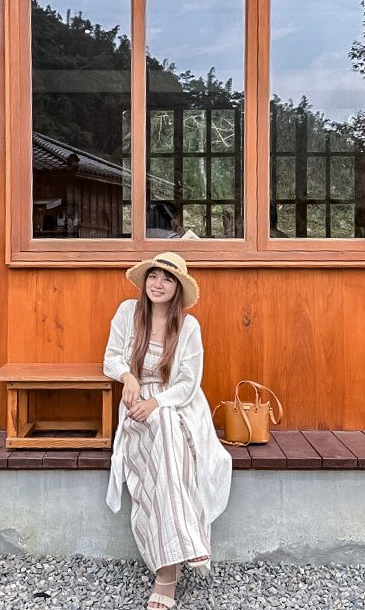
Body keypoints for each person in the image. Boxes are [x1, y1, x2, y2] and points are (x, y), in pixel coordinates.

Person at [103, 252, 232, 610]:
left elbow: (188, 383)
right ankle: (190, 542)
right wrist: (128, 377)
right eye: (154, 276)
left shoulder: (188, 327)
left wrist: (157, 404)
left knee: (166, 432)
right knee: (161, 447)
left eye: (168, 279)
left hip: (176, 407)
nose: (158, 284)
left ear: (178, 289)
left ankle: (167, 576)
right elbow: (111, 358)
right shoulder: (128, 312)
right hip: (135, 405)